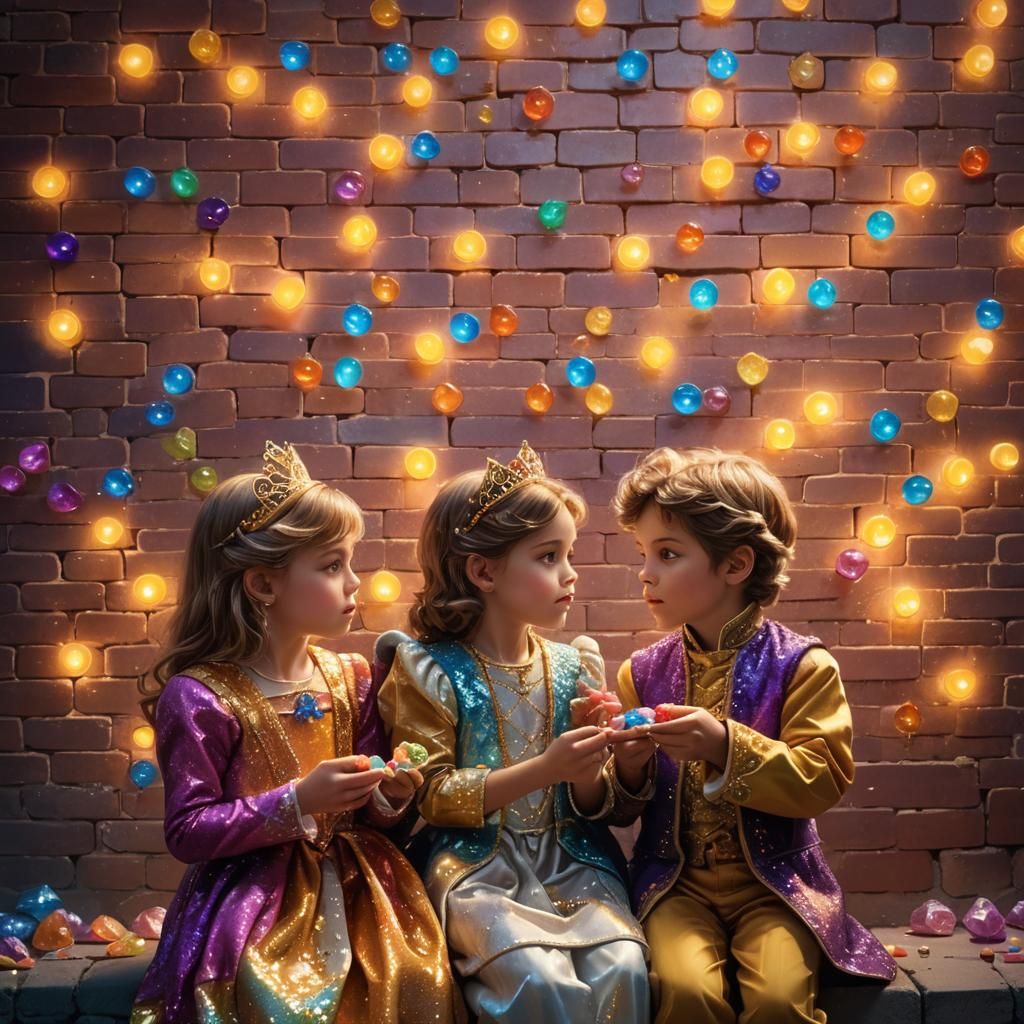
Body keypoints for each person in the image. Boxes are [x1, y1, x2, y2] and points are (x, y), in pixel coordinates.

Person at [131, 441, 462, 1024]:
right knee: (276, 994)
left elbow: (371, 811)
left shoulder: (352, 676)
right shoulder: (201, 696)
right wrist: (296, 801)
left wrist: (389, 793)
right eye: (332, 566)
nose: (354, 582)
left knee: (410, 973)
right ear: (263, 584)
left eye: (350, 563)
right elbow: (187, 830)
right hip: (252, 905)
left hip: (365, 890)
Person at [603, 446, 896, 1024]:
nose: (645, 572)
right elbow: (624, 807)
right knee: (684, 991)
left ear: (736, 565)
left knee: (780, 1000)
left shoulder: (804, 666)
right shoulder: (640, 673)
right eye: (643, 553)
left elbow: (821, 780)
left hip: (778, 886)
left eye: (667, 553)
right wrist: (629, 767)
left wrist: (723, 745)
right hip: (675, 886)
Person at [375, 441, 650, 1024]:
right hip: (477, 869)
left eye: (569, 554)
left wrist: (603, 764)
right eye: (549, 556)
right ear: (484, 571)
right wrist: (547, 767)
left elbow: (598, 806)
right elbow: (432, 794)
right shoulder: (428, 669)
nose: (570, 573)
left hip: (573, 863)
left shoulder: (576, 665)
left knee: (624, 965)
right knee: (536, 976)